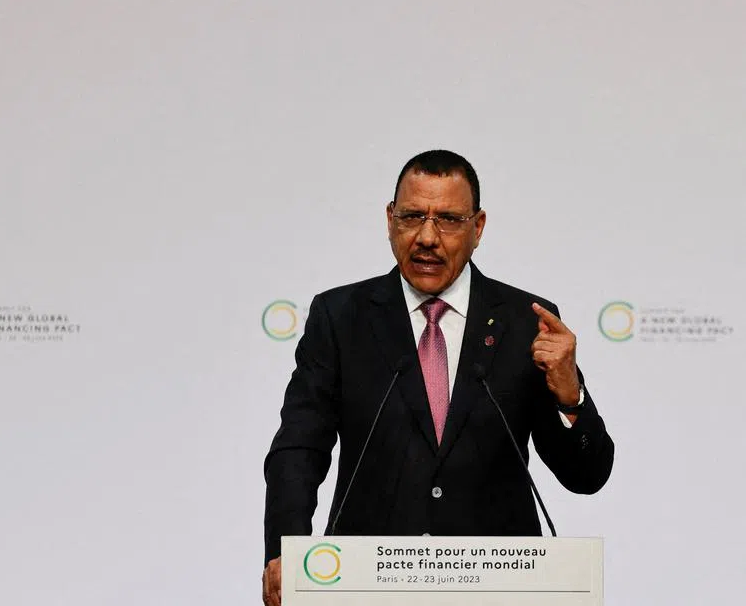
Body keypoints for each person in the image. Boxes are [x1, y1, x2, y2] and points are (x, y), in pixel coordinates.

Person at [261, 150, 614, 606]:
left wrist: (571, 397)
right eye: (412, 217)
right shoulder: (340, 317)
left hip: (500, 590)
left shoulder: (527, 322)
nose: (427, 237)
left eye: (448, 219)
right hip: (366, 585)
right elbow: (298, 449)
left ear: (478, 226)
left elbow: (586, 475)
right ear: (390, 220)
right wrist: (286, 551)